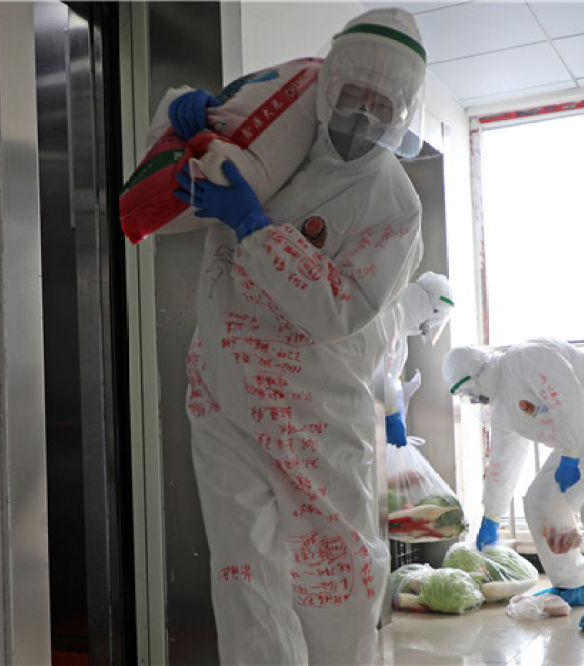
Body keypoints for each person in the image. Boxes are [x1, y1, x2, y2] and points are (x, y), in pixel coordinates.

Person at [171, 7, 427, 664]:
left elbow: (338, 309)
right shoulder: (275, 144)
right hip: (222, 395)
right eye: (353, 94)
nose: (362, 115)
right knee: (243, 574)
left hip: (315, 413)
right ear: (328, 85)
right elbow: (181, 155)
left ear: (403, 113)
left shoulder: (394, 205)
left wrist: (255, 229)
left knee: (336, 575)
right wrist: (184, 117)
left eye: (382, 105)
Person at [441, 338, 584, 631]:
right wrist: (491, 514)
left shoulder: (525, 358)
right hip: (580, 435)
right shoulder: (504, 408)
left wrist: (569, 457)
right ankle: (573, 583)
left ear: (477, 375)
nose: (474, 400)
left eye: (470, 392)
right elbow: (503, 462)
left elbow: (568, 399)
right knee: (540, 498)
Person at [374, 272, 454, 448]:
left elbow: (388, 376)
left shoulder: (401, 327)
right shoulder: (392, 317)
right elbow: (379, 372)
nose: (426, 328)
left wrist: (400, 392)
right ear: (430, 310)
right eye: (431, 322)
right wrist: (391, 414)